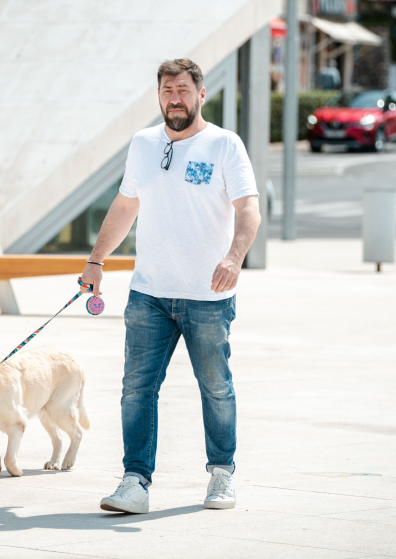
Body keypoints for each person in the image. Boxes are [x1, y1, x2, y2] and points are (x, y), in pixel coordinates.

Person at [80, 58, 262, 514]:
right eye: (167, 91)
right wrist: (95, 261)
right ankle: (135, 482)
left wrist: (234, 257)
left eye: (182, 90)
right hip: (149, 294)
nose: (174, 99)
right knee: (136, 390)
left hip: (208, 296)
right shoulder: (143, 144)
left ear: (201, 94)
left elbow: (248, 210)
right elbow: (125, 207)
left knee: (215, 388)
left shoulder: (225, 144)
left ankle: (222, 474)